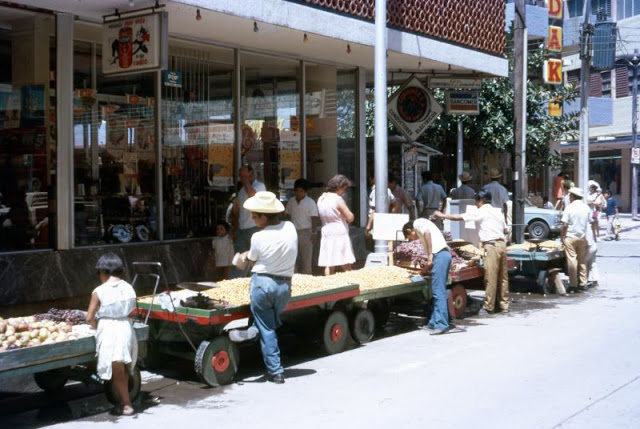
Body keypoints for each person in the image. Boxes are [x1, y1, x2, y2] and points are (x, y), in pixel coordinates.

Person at [229, 191, 297, 384]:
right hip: (284, 286)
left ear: (265, 216)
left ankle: (276, 371)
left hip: (263, 285)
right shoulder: (290, 228)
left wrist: (242, 257)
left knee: (267, 328)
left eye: (255, 215)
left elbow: (250, 260)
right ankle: (254, 328)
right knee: (269, 321)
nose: (252, 218)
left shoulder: (258, 237)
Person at [433, 190, 510, 315]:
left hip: (491, 246)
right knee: (503, 277)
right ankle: (504, 304)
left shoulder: (481, 212)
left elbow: (459, 217)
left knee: (491, 277)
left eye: (476, 201)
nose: (476, 204)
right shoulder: (497, 212)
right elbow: (506, 231)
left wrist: (441, 215)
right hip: (502, 244)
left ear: (480, 201)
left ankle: (488, 307)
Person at [85, 252, 137, 416]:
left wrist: (96, 326)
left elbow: (89, 318)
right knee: (124, 366)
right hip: (126, 327)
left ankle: (127, 404)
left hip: (109, 330)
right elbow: (132, 312)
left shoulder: (99, 291)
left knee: (117, 369)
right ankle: (124, 400)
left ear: (103, 272)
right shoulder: (129, 288)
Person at [402, 219, 452, 335]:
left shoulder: (417, 223)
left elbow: (427, 233)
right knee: (436, 291)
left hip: (440, 256)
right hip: (441, 256)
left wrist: (429, 256)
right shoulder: (422, 225)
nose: (413, 239)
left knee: (438, 292)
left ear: (410, 230)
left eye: (410, 237)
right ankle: (434, 322)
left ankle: (442, 324)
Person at [317, 174, 356, 276]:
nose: (344, 192)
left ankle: (329, 285)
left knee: (329, 263)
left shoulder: (321, 198)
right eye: (343, 189)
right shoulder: (337, 199)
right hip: (339, 232)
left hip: (326, 231)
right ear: (339, 187)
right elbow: (350, 217)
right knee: (345, 261)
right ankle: (352, 283)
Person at [230, 165, 266, 263]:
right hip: (242, 229)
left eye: (244, 175)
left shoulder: (260, 186)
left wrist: (245, 180)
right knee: (240, 259)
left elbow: (252, 194)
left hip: (254, 227)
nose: (241, 177)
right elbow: (238, 210)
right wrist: (235, 228)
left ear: (251, 174)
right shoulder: (242, 191)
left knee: (255, 258)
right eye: (240, 175)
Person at [285, 178, 320, 275]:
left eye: (301, 191)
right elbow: (287, 215)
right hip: (293, 232)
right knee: (292, 258)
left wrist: (314, 233)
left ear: (305, 191)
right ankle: (294, 277)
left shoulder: (310, 202)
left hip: (306, 232)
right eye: (297, 191)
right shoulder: (291, 201)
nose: (298, 193)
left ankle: (307, 278)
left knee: (306, 259)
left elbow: (314, 218)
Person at [560, 187, 591, 293]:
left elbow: (564, 225)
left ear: (572, 196)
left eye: (570, 196)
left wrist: (562, 237)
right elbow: (590, 221)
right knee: (582, 260)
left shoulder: (569, 208)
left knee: (572, 260)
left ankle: (573, 284)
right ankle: (583, 283)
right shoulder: (586, 207)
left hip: (571, 237)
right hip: (582, 237)